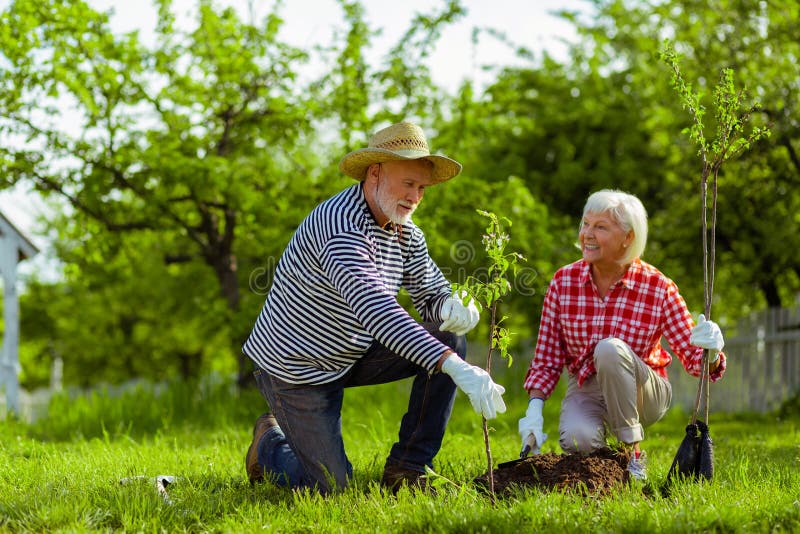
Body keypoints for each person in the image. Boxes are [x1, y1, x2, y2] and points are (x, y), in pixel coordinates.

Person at [242, 121, 506, 494]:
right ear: (375, 173)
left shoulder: (404, 229)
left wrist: (452, 302)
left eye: (421, 188)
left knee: (447, 337)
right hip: (298, 369)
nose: (415, 196)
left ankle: (408, 469)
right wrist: (456, 368)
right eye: (408, 184)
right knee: (331, 488)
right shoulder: (341, 228)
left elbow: (429, 293)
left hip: (351, 349)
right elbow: (379, 313)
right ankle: (269, 443)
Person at [518, 189, 727, 480]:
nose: (587, 234)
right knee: (579, 441)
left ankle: (633, 455)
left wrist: (712, 351)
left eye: (600, 227)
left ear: (628, 237)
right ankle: (611, 471)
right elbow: (547, 357)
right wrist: (534, 409)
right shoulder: (563, 282)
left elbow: (695, 359)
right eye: (585, 224)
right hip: (588, 385)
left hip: (645, 390)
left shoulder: (657, 286)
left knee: (609, 349)